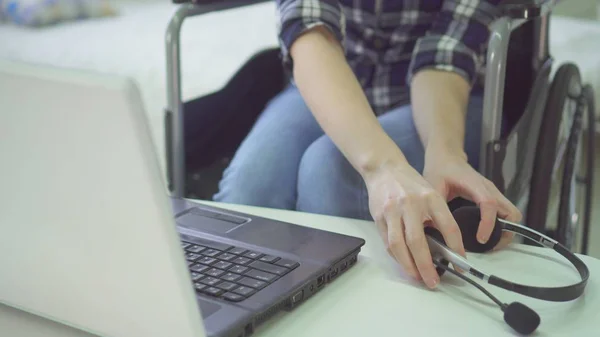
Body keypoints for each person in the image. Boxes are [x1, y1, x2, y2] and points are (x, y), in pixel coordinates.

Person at [214, 0, 522, 289]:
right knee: (250, 188)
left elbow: (447, 50)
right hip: (334, 70)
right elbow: (309, 28)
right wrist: (384, 165)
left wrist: (446, 153)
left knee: (328, 174)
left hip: (442, 91)